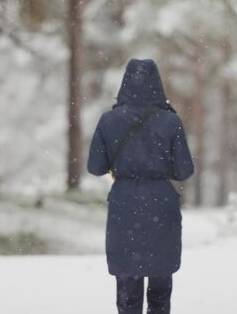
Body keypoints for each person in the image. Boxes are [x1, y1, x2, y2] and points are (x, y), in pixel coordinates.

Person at [87, 58, 194, 314]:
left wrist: (123, 162)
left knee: (127, 290)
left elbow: (95, 167)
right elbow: (184, 170)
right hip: (161, 206)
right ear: (158, 84)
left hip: (124, 206)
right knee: (160, 288)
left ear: (125, 83)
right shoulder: (170, 122)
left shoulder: (109, 120)